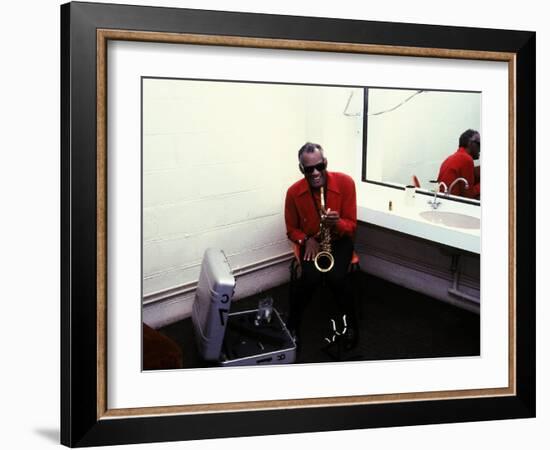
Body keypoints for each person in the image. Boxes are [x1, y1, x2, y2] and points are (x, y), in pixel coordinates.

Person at [284, 142, 358, 349]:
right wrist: (305, 240)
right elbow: (291, 229)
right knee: (311, 278)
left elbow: (352, 226)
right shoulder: (293, 192)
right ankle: (293, 324)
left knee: (337, 277)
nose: (316, 173)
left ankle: (350, 323)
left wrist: (338, 223)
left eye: (320, 166)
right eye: (309, 169)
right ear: (301, 169)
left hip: (339, 239)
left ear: (325, 162)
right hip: (313, 242)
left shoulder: (345, 183)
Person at [437, 129, 481, 199]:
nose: (480, 149)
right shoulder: (466, 159)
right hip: (453, 204)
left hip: (444, 200)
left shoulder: (450, 158)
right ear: (470, 143)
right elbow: (468, 196)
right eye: (479, 144)